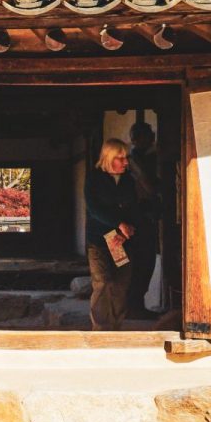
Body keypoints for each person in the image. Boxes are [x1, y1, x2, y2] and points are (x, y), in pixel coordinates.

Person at [84, 139, 140, 331]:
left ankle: (116, 327)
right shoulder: (94, 178)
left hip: (118, 241)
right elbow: (94, 209)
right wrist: (119, 224)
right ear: (108, 158)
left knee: (120, 284)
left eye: (126, 158)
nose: (125, 162)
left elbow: (134, 210)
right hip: (99, 240)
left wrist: (126, 232)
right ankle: (99, 329)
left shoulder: (128, 181)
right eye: (120, 158)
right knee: (102, 282)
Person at [124, 121, 162, 321]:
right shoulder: (133, 160)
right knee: (140, 262)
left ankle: (136, 304)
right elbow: (150, 187)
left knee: (145, 262)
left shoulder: (147, 157)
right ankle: (133, 305)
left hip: (145, 216)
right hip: (136, 218)